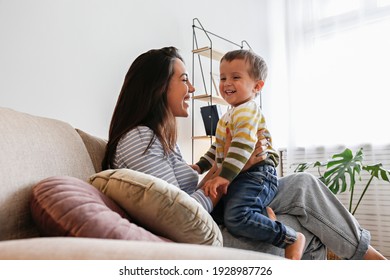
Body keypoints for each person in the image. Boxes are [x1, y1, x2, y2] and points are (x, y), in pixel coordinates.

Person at [102, 46, 386, 260]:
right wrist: (233, 169)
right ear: (158, 87)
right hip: (203, 236)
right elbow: (180, 215)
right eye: (184, 80)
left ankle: (373, 260)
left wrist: (224, 168)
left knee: (304, 184)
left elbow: (185, 192)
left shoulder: (162, 139)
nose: (192, 88)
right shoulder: (139, 139)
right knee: (304, 228)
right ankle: (370, 262)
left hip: (216, 214)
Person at [194, 49, 305, 260]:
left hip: (257, 174)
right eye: (223, 77)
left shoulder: (247, 111)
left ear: (257, 86)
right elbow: (217, 148)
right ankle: (265, 218)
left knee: (237, 216)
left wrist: (223, 177)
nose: (227, 83)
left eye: (236, 77)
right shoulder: (228, 115)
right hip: (239, 174)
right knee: (216, 216)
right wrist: (200, 166)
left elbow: (243, 146)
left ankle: (290, 238)